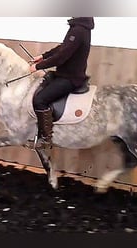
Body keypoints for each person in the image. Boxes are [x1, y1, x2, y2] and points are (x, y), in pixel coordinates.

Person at [29, 17, 95, 149]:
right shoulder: (79, 28)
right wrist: (43, 56)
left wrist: (38, 66)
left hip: (71, 78)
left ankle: (46, 139)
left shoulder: (79, 30)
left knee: (40, 100)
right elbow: (63, 47)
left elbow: (62, 57)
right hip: (65, 74)